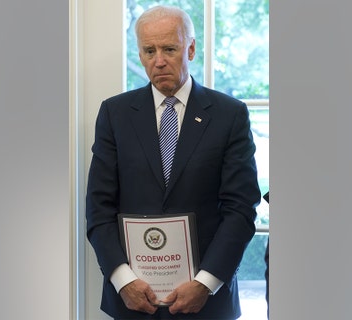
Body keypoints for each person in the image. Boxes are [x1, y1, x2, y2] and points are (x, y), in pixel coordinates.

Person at [86, 5, 261, 319]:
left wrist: (206, 283)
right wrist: (123, 281)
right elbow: (98, 208)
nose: (159, 61)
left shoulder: (229, 115)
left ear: (190, 48)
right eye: (149, 50)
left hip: (208, 302)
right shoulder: (115, 114)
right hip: (133, 300)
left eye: (169, 48)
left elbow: (240, 208)